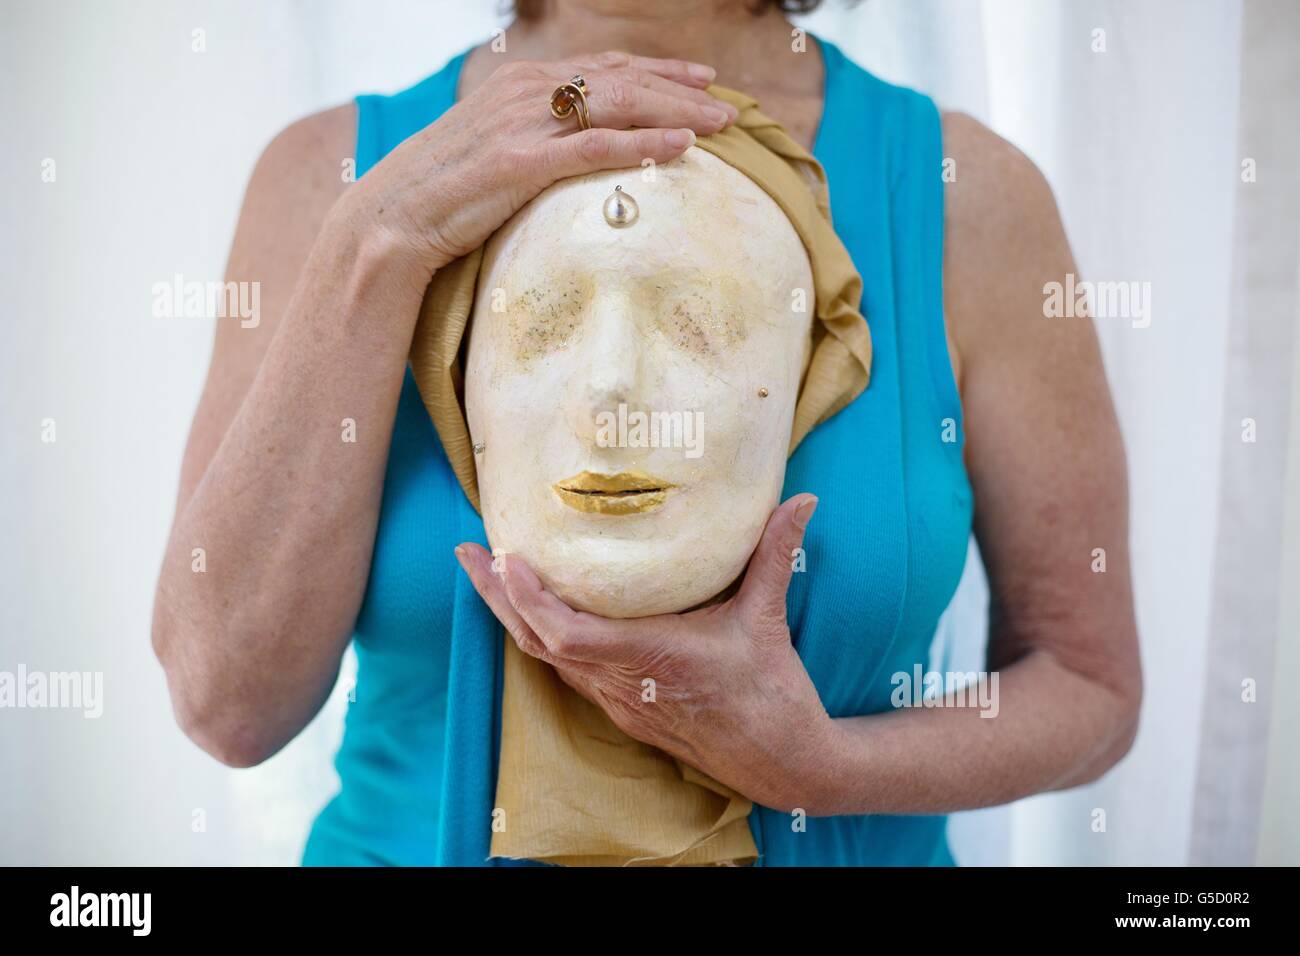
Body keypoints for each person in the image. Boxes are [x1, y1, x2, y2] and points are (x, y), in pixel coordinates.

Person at [152, 0, 1141, 865]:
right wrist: (378, 243)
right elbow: (225, 702)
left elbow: (1088, 686)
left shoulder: (965, 194)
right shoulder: (330, 179)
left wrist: (823, 767)